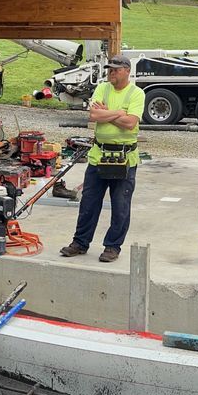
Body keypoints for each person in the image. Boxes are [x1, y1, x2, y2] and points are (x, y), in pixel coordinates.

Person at [59, 55, 144, 262]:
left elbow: (130, 123)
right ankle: (80, 242)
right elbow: (94, 116)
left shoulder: (136, 93)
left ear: (127, 71)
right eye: (110, 69)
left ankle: (112, 247)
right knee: (89, 203)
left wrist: (108, 114)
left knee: (120, 206)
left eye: (116, 69)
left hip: (125, 158)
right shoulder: (102, 88)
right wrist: (119, 113)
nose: (111, 72)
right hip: (98, 156)